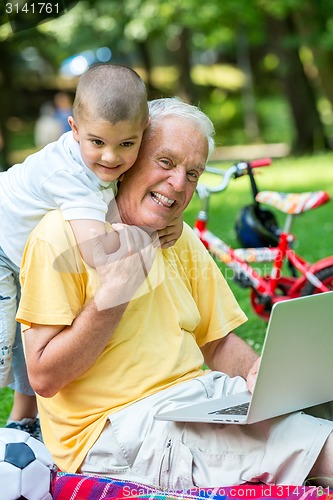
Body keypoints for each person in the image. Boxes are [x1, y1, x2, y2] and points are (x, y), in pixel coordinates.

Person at [17, 98, 333, 488]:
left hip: (198, 401)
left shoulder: (178, 236)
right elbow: (43, 377)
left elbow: (216, 344)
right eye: (165, 162)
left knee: (323, 407)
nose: (179, 184)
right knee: (325, 449)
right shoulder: (60, 235)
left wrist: (259, 375)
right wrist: (112, 297)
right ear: (129, 158)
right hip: (116, 428)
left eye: (193, 173)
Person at [0, 64, 180, 439]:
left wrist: (166, 219)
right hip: (1, 248)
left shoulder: (100, 160)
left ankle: (22, 419)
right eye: (97, 142)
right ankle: (19, 421)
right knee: (4, 343)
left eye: (127, 144)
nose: (111, 158)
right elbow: (97, 253)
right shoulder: (69, 176)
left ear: (143, 129)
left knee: (30, 330)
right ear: (74, 128)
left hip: (21, 251)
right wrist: (147, 235)